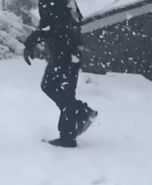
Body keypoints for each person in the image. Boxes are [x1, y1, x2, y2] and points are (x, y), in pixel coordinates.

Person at [23, 0, 97, 148]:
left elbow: (53, 27)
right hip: (65, 51)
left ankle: (68, 137)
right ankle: (81, 113)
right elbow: (56, 24)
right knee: (50, 86)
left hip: (66, 52)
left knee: (64, 92)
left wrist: (31, 41)